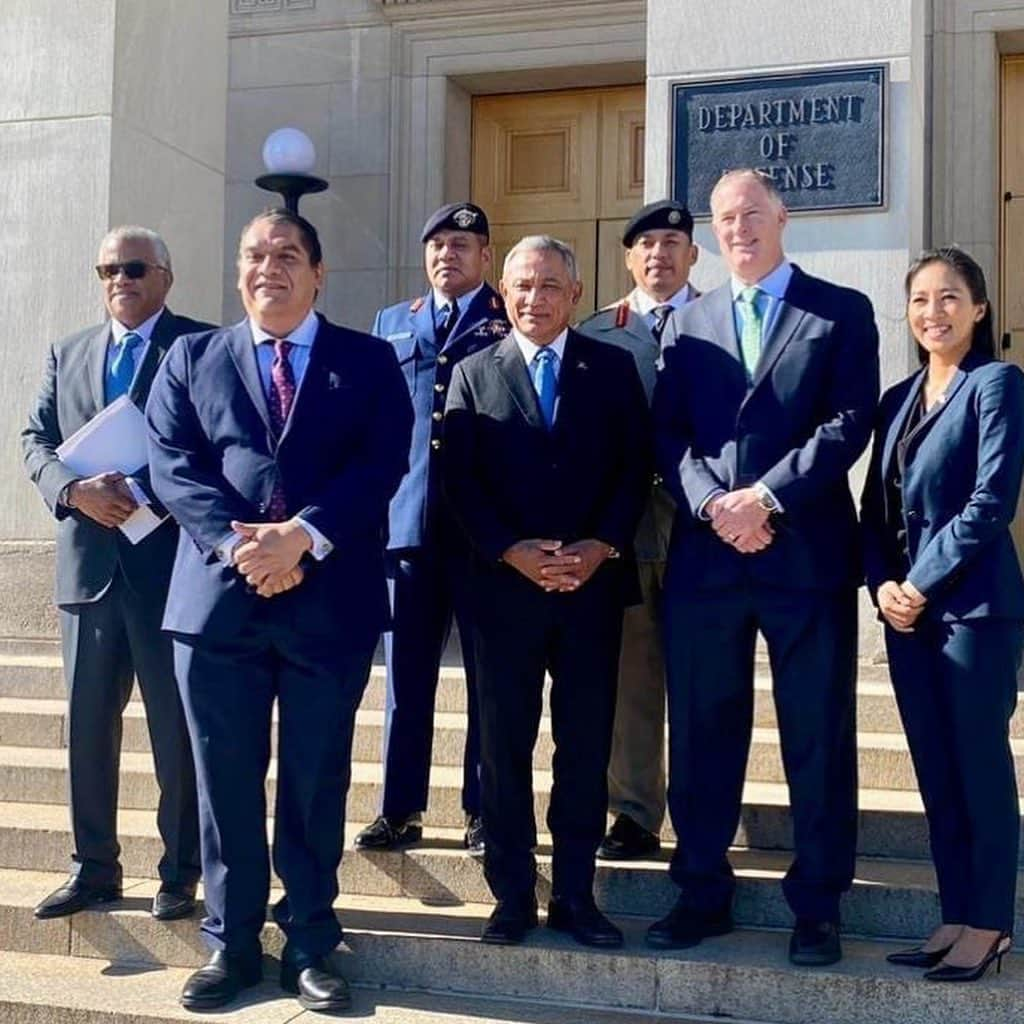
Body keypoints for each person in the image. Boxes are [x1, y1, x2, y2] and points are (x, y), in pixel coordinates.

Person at [145, 209, 412, 1013]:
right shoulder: (191, 358)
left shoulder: (367, 361)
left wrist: (302, 537)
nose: (271, 268)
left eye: (288, 255)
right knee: (224, 782)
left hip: (329, 607)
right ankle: (230, 943)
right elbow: (173, 464)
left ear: (319, 273)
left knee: (314, 777)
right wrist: (243, 550)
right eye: (255, 255)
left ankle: (308, 937)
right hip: (216, 608)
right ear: (237, 272)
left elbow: (383, 461)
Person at [651, 169, 879, 966]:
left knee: (817, 734)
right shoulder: (689, 323)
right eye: (724, 217)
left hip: (805, 558)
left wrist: (767, 501)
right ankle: (701, 892)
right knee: (705, 733)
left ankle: (818, 905)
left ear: (783, 217)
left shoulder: (841, 311)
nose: (738, 227)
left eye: (752, 213)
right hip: (708, 563)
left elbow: (851, 421)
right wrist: (716, 505)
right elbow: (669, 437)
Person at [443, 235, 651, 949]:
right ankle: (511, 896)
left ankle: (574, 894)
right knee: (504, 749)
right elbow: (459, 482)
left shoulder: (614, 369)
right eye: (522, 285)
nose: (534, 298)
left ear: (576, 291)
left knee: (584, 746)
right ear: (503, 290)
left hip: (592, 590)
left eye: (550, 285)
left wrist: (601, 547)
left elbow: (634, 469)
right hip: (503, 593)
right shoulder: (472, 373)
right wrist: (511, 550)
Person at [22, 226, 207, 923]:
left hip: (168, 570)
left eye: (132, 268)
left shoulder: (198, 345)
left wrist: (146, 494)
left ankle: (179, 871)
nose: (118, 281)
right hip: (89, 569)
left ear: (165, 274)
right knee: (88, 729)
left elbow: (211, 442)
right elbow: (35, 439)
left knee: (175, 731)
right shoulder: (67, 352)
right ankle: (93, 867)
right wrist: (74, 490)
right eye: (106, 270)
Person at [861, 247, 1023, 983]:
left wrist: (919, 582)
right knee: (934, 770)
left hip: (973, 614)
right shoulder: (896, 399)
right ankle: (954, 914)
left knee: (979, 770)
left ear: (980, 308)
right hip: (909, 617)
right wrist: (882, 587)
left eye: (951, 297)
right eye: (921, 299)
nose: (935, 312)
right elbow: (874, 511)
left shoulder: (997, 385)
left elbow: (990, 502)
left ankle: (990, 924)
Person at [358, 202, 509, 855]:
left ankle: (483, 808)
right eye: (439, 244)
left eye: (463, 245)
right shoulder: (393, 322)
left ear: (485, 257)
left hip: (482, 533)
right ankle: (400, 808)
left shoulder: (510, 319)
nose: (449, 255)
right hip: (408, 527)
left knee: (487, 678)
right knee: (406, 678)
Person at [577, 198, 698, 861]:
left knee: (705, 678)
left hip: (703, 532)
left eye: (673, 243)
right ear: (628, 258)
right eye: (647, 244)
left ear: (693, 256)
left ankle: (703, 816)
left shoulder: (721, 325)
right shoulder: (598, 333)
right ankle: (633, 813)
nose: (660, 254)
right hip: (628, 532)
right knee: (631, 677)